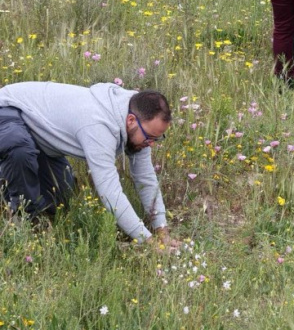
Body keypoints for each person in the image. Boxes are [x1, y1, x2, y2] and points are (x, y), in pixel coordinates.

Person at [0, 82, 179, 250]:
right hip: (8, 109)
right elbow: (110, 193)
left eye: (157, 139)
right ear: (131, 120)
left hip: (38, 135)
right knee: (19, 153)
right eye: (150, 137)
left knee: (61, 200)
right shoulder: (98, 125)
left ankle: (13, 180)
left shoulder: (139, 119)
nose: (152, 144)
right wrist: (147, 241)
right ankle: (23, 219)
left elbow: (145, 178)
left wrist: (161, 231)